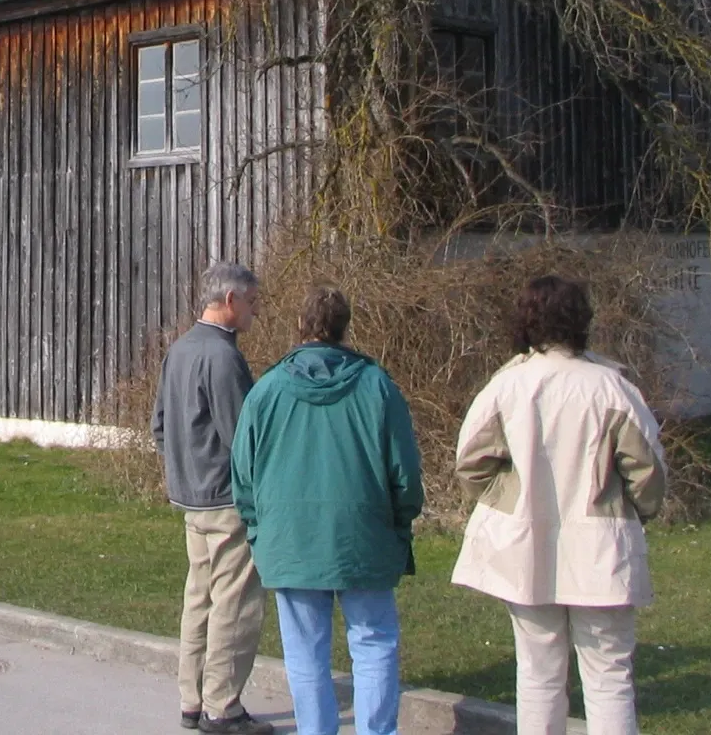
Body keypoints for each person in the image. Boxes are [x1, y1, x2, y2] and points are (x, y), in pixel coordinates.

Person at [451, 275, 666, 735]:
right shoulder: (612, 388)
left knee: (538, 673)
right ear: (581, 320)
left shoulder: (507, 386)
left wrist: (511, 502)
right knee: (609, 677)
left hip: (525, 545)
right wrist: (631, 513)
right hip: (601, 549)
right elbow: (648, 474)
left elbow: (470, 464)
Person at [230, 286, 424, 735]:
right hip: (365, 535)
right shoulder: (377, 387)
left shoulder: (268, 391)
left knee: (305, 654)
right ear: (344, 328)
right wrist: (400, 522)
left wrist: (259, 529)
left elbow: (243, 474)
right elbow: (406, 472)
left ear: (300, 327)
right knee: (374, 643)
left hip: (292, 539)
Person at [153, 261, 272, 735]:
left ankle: (191, 699)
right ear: (229, 301)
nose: (254, 312)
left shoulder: (180, 349)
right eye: (251, 302)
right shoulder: (223, 357)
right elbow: (244, 436)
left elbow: (159, 426)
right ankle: (222, 707)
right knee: (234, 603)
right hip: (224, 499)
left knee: (199, 599)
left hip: (190, 498)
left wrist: (182, 470)